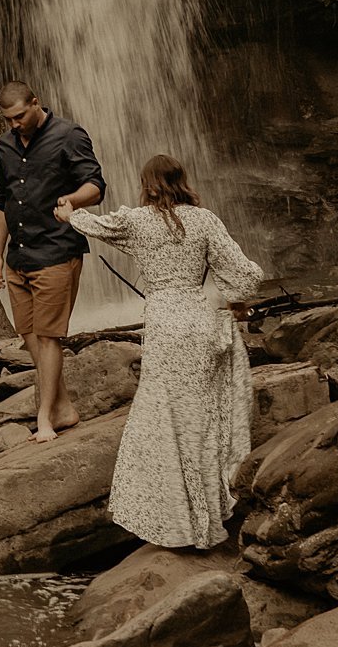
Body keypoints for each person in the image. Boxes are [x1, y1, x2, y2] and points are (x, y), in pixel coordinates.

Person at [58, 155, 264, 549]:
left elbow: (93, 224)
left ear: (148, 184)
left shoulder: (136, 221)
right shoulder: (204, 220)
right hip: (199, 320)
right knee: (201, 425)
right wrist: (232, 300)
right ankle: (207, 521)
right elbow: (246, 275)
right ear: (181, 180)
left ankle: (174, 524)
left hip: (166, 324)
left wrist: (70, 212)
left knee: (165, 426)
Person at [0, 80, 105, 443]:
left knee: (49, 336)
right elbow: (0, 201)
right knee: (29, 334)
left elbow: (96, 185)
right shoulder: (5, 145)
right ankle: (64, 408)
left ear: (36, 103)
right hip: (18, 254)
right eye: (8, 119)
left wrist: (72, 199)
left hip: (56, 249)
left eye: (20, 116)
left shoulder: (68, 135)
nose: (14, 125)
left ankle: (44, 418)